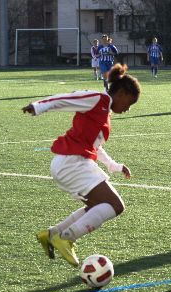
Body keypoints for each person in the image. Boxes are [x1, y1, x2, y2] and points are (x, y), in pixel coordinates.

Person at [22, 64, 141, 267]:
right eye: (130, 103)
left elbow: (95, 146)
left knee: (98, 206)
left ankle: (51, 234)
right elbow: (68, 98)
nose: (127, 109)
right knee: (115, 205)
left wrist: (114, 165)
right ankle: (67, 238)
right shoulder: (99, 99)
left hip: (73, 162)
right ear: (122, 93)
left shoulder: (104, 111)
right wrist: (39, 105)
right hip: (71, 162)